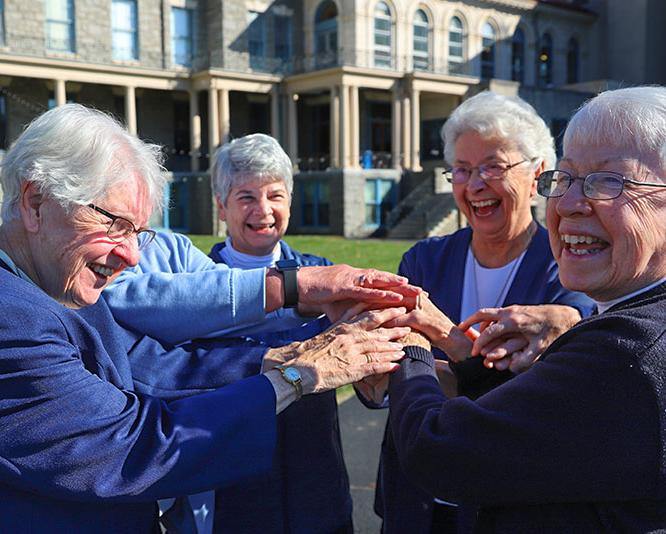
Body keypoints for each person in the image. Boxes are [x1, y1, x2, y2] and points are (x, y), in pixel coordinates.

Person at [0, 103, 416, 533]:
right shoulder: (12, 318)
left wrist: (295, 357)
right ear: (35, 202)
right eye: (116, 226)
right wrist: (295, 376)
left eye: (138, 232)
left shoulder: (59, 287)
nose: (132, 255)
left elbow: (155, 368)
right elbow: (130, 450)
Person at [387, 86, 666, 531]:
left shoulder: (627, 344)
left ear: (534, 172)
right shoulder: (425, 257)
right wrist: (456, 372)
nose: (573, 203)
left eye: (609, 181)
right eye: (569, 178)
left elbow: (439, 448)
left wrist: (415, 346)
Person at [369, 91, 594, 534]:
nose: (475, 184)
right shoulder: (422, 262)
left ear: (537, 177)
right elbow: (390, 368)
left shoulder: (571, 267)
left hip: (511, 502)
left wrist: (439, 336)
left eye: (493, 166)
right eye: (463, 169)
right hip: (417, 495)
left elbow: (537, 394)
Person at [104, 133, 350, 534]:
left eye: (275, 195)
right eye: (246, 197)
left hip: (314, 475)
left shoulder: (325, 276)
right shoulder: (187, 284)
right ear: (220, 205)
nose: (264, 210)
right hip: (226, 483)